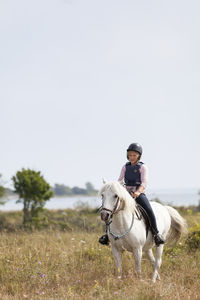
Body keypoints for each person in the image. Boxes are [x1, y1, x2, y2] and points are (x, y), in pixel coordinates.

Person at [99, 142, 165, 246]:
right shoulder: (125, 167)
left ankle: (156, 234)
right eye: (130, 155)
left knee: (149, 210)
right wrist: (113, 187)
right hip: (126, 195)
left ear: (139, 156)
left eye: (134, 155)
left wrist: (138, 192)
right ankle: (108, 235)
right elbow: (120, 180)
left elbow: (144, 182)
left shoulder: (143, 167)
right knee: (112, 209)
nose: (132, 157)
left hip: (139, 194)